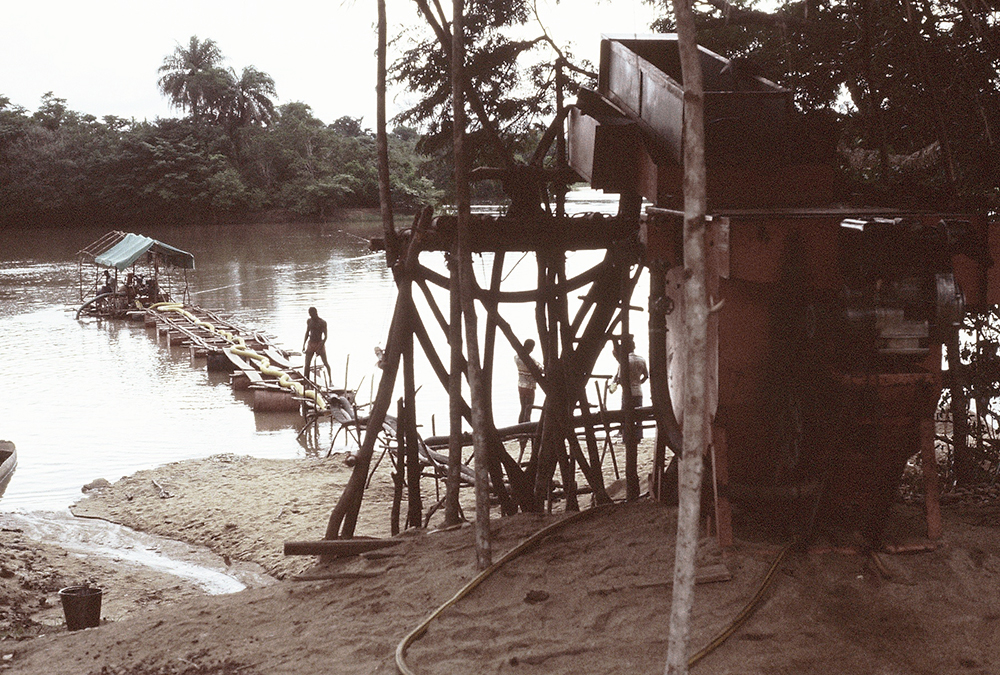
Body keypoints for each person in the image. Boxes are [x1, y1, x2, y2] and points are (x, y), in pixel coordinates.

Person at [612, 337, 649, 439]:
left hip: (628, 392)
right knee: (639, 414)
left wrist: (613, 386)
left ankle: (626, 435)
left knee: (625, 414)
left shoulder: (624, 361)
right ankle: (638, 436)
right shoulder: (641, 359)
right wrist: (638, 383)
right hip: (638, 391)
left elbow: (620, 378)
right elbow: (646, 376)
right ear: (634, 347)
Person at [515, 339, 541, 451]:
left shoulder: (517, 358)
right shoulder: (531, 361)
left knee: (522, 408)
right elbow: (540, 369)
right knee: (528, 409)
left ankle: (519, 429)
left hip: (520, 386)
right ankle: (526, 429)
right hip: (529, 388)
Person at [302, 307, 332, 383]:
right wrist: (304, 345)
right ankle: (306, 382)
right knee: (307, 364)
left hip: (319, 343)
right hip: (311, 343)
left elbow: (325, 337)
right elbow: (307, 332)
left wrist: (320, 348)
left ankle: (330, 380)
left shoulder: (322, 322)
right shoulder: (309, 321)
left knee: (325, 363)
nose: (310, 315)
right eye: (309, 314)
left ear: (315, 313)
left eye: (311, 314)